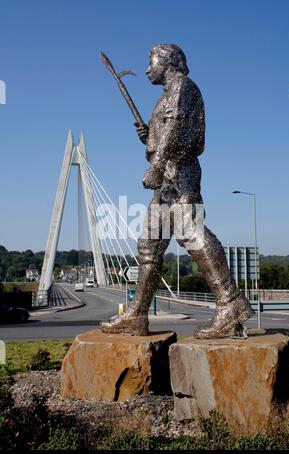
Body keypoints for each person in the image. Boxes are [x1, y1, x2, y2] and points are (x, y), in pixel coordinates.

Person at [101, 44, 254, 338]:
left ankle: (230, 303)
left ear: (170, 62)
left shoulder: (182, 87)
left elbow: (177, 132)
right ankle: (136, 316)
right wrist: (150, 138)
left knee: (190, 232)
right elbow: (167, 131)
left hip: (179, 174)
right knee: (149, 247)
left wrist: (156, 164)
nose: (147, 69)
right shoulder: (165, 97)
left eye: (151, 62)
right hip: (167, 178)